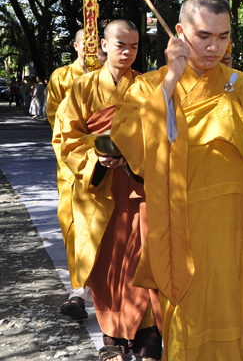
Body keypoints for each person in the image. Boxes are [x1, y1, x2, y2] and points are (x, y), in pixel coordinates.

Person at [111, 0, 243, 360]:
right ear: (180, 32)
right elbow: (131, 141)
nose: (214, 47)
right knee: (191, 330)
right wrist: (171, 80)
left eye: (223, 36)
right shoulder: (151, 85)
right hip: (185, 236)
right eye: (203, 36)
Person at [60, 20, 162, 361]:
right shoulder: (83, 87)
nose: (127, 52)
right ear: (104, 45)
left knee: (142, 263)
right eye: (120, 44)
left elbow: (159, 135)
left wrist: (134, 156)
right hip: (100, 192)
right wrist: (96, 159)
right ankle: (112, 340)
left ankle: (148, 342)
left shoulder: (146, 86)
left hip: (138, 187)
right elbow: (65, 138)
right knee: (109, 267)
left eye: (134, 46)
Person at [46, 29, 93, 319]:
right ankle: (79, 291)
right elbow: (55, 118)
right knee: (73, 224)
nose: (89, 48)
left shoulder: (114, 76)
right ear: (75, 46)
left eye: (94, 43)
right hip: (71, 164)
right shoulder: (61, 76)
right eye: (84, 43)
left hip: (106, 162)